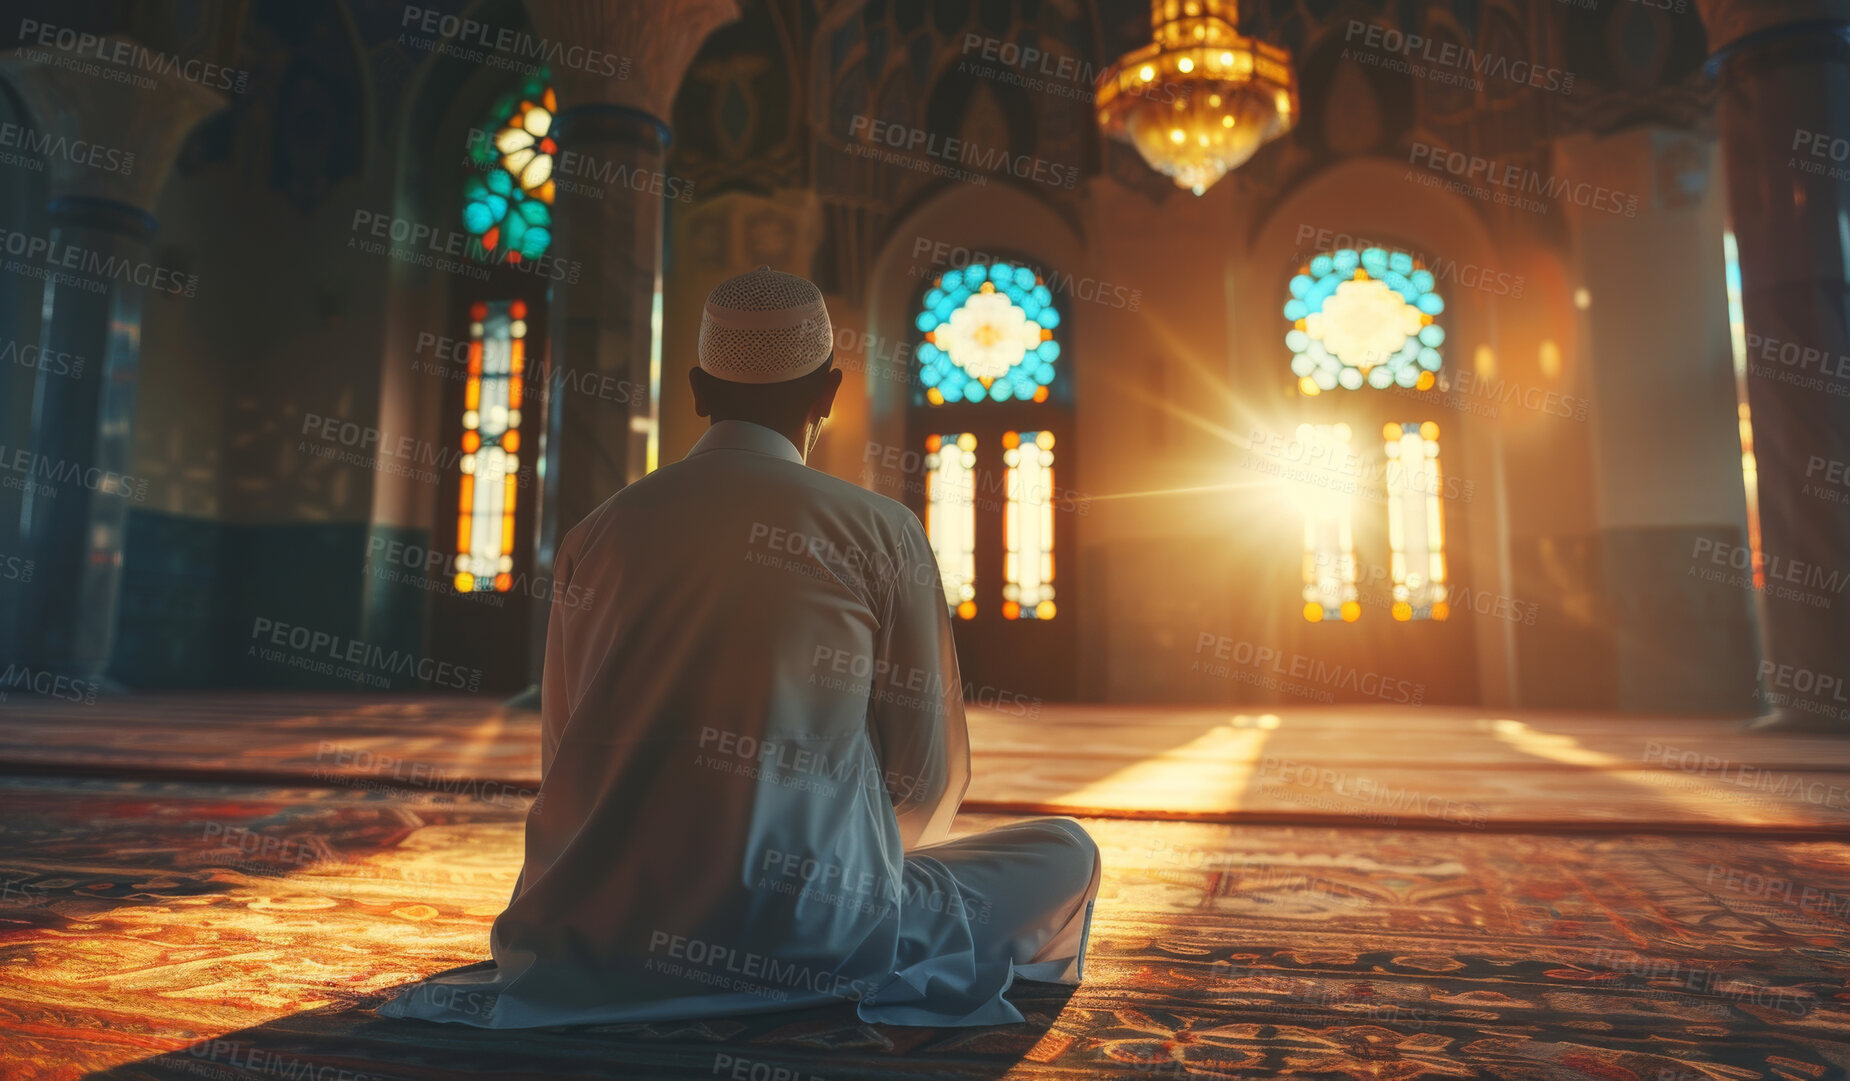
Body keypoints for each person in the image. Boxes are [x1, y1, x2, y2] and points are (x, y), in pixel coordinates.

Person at [379, 266, 1100, 1029]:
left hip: (600, 926)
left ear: (696, 389)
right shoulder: (880, 529)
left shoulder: (596, 534)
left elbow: (570, 758)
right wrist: (819, 859)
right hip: (812, 931)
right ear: (829, 392)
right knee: (1064, 851)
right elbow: (927, 779)